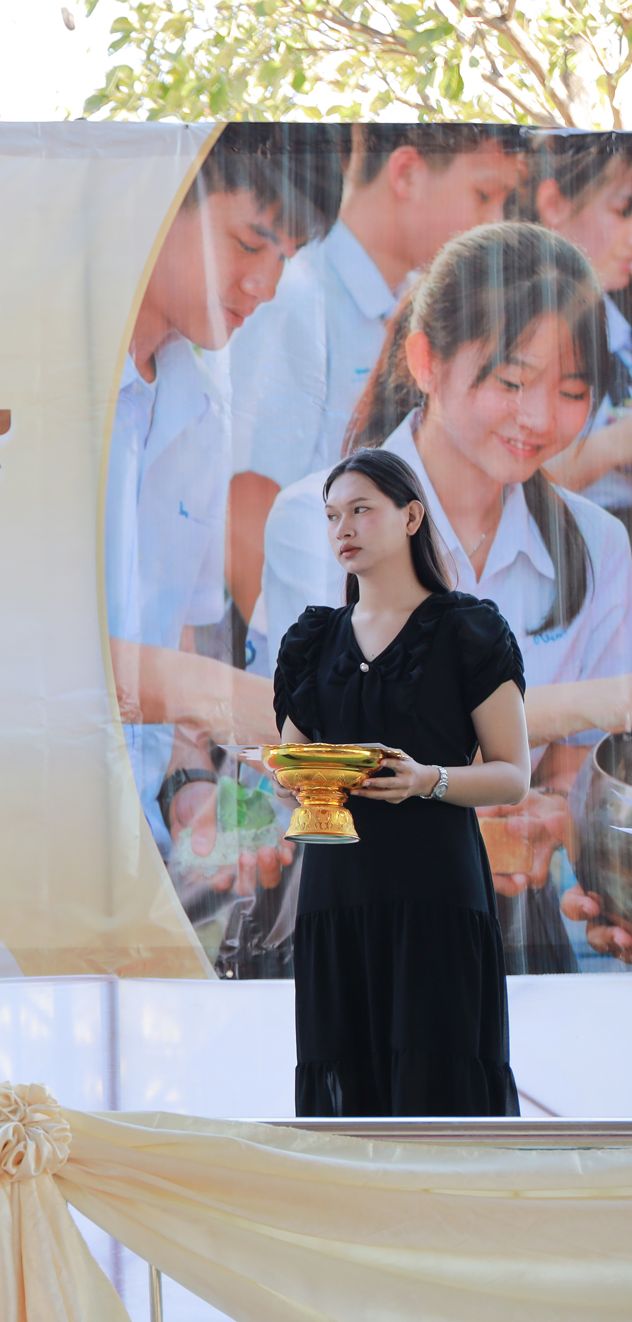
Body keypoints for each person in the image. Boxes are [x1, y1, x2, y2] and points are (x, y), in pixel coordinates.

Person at [260, 222, 632, 973]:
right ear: (426, 360)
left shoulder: (597, 546)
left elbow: (577, 766)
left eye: (571, 391)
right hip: (355, 909)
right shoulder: (318, 521)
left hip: (514, 931)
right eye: (512, 382)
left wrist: (547, 815)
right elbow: (335, 750)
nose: (540, 418)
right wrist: (588, 704)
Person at [106, 123, 339, 968]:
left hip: (132, 866)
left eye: (287, 258)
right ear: (162, 206)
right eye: (250, 242)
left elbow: (170, 649)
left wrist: (190, 789)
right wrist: (256, 711)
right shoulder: (36, 399)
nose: (263, 286)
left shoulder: (202, 416)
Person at [273, 447, 530, 1116]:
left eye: (361, 510)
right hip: (336, 892)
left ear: (411, 516)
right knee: (344, 1085)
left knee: (439, 1086)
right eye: (333, 515)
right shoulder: (312, 639)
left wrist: (427, 780)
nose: (343, 529)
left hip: (436, 891)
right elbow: (292, 766)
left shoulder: (469, 629)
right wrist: (288, 776)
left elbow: (513, 774)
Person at [229, 124, 527, 647]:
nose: (495, 220)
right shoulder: (297, 297)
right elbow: (250, 507)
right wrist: (307, 663)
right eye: (484, 194)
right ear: (406, 172)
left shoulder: (417, 305)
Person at [522, 131, 632, 535]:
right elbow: (501, 486)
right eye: (624, 210)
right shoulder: (517, 324)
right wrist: (613, 445)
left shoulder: (615, 323)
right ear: (554, 204)